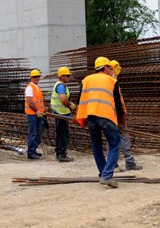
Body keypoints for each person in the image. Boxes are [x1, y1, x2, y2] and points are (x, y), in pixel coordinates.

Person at [75, 57, 125, 188]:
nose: (111, 71)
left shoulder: (86, 80)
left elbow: (80, 99)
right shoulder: (112, 81)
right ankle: (107, 176)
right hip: (106, 117)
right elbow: (119, 105)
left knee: (97, 147)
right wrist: (121, 123)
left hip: (91, 117)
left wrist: (80, 117)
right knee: (115, 144)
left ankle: (104, 174)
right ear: (106, 68)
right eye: (110, 68)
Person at [110, 60, 143, 171]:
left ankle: (113, 164)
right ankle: (129, 162)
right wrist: (121, 119)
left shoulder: (109, 81)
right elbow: (117, 103)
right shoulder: (112, 82)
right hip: (116, 116)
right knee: (124, 138)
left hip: (111, 116)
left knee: (112, 139)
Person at [50, 67, 77, 162]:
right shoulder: (61, 86)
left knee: (60, 134)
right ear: (62, 76)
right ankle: (62, 155)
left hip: (59, 113)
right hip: (61, 113)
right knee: (63, 135)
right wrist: (70, 105)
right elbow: (63, 98)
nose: (69, 77)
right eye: (67, 75)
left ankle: (59, 153)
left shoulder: (59, 85)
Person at [24, 69, 45, 160]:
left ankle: (34, 150)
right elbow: (30, 101)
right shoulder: (30, 87)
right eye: (35, 77)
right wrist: (36, 111)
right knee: (33, 133)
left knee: (38, 133)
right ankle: (31, 152)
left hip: (38, 114)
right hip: (33, 114)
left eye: (38, 76)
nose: (37, 78)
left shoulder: (37, 87)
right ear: (31, 77)